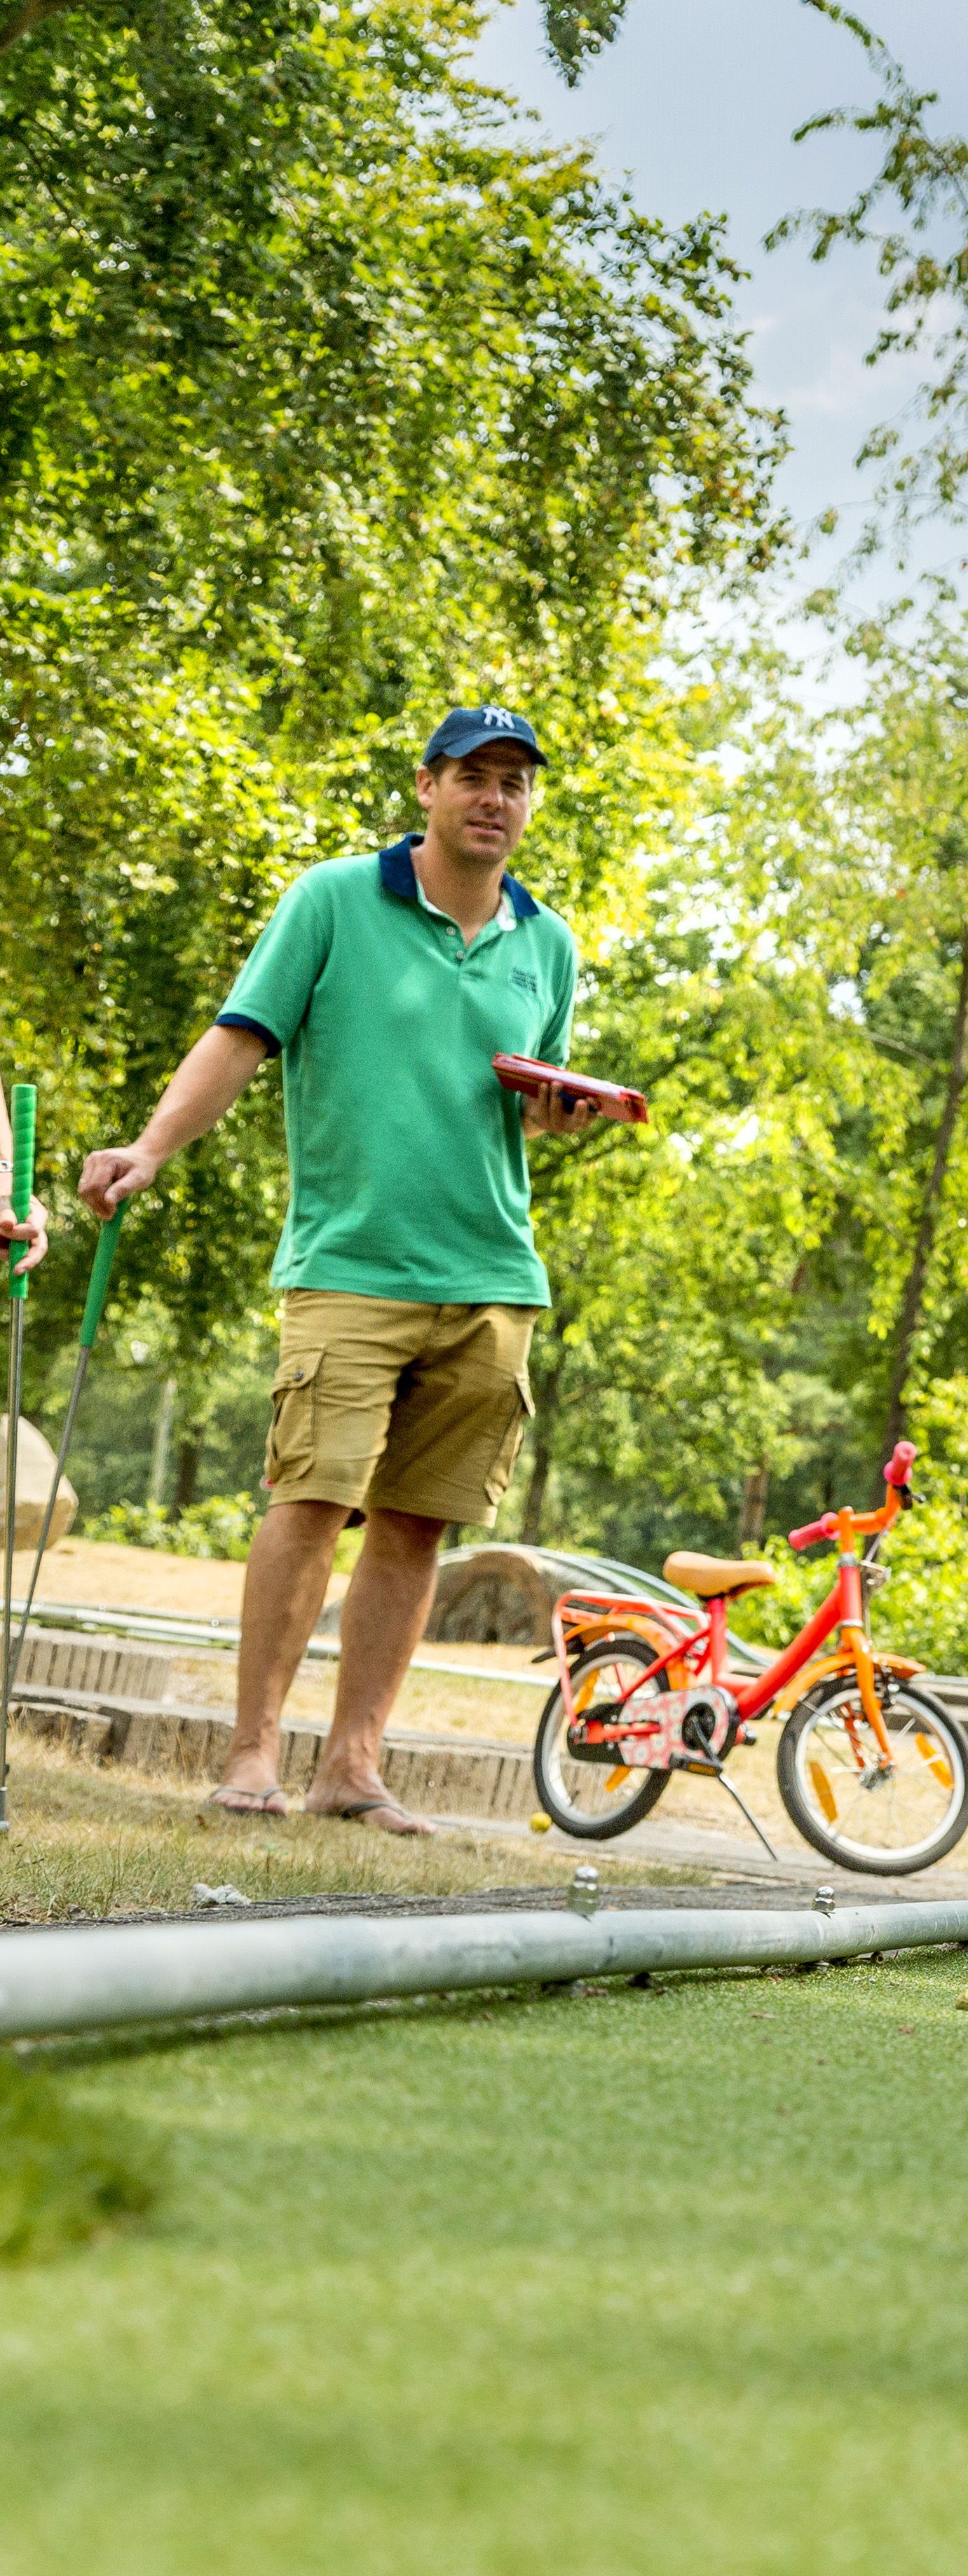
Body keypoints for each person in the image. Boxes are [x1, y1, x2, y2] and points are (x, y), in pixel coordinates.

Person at [78, 706, 613, 1830]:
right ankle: (253, 1757)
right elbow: (240, 1035)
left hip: (493, 1277)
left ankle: (352, 1767)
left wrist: (565, 1117)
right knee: (310, 1499)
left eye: (516, 783)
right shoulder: (331, 901)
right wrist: (152, 1147)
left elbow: (533, 1105)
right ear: (426, 786)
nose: (495, 800)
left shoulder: (550, 945)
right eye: (474, 776)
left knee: (416, 1523)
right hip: (351, 1265)